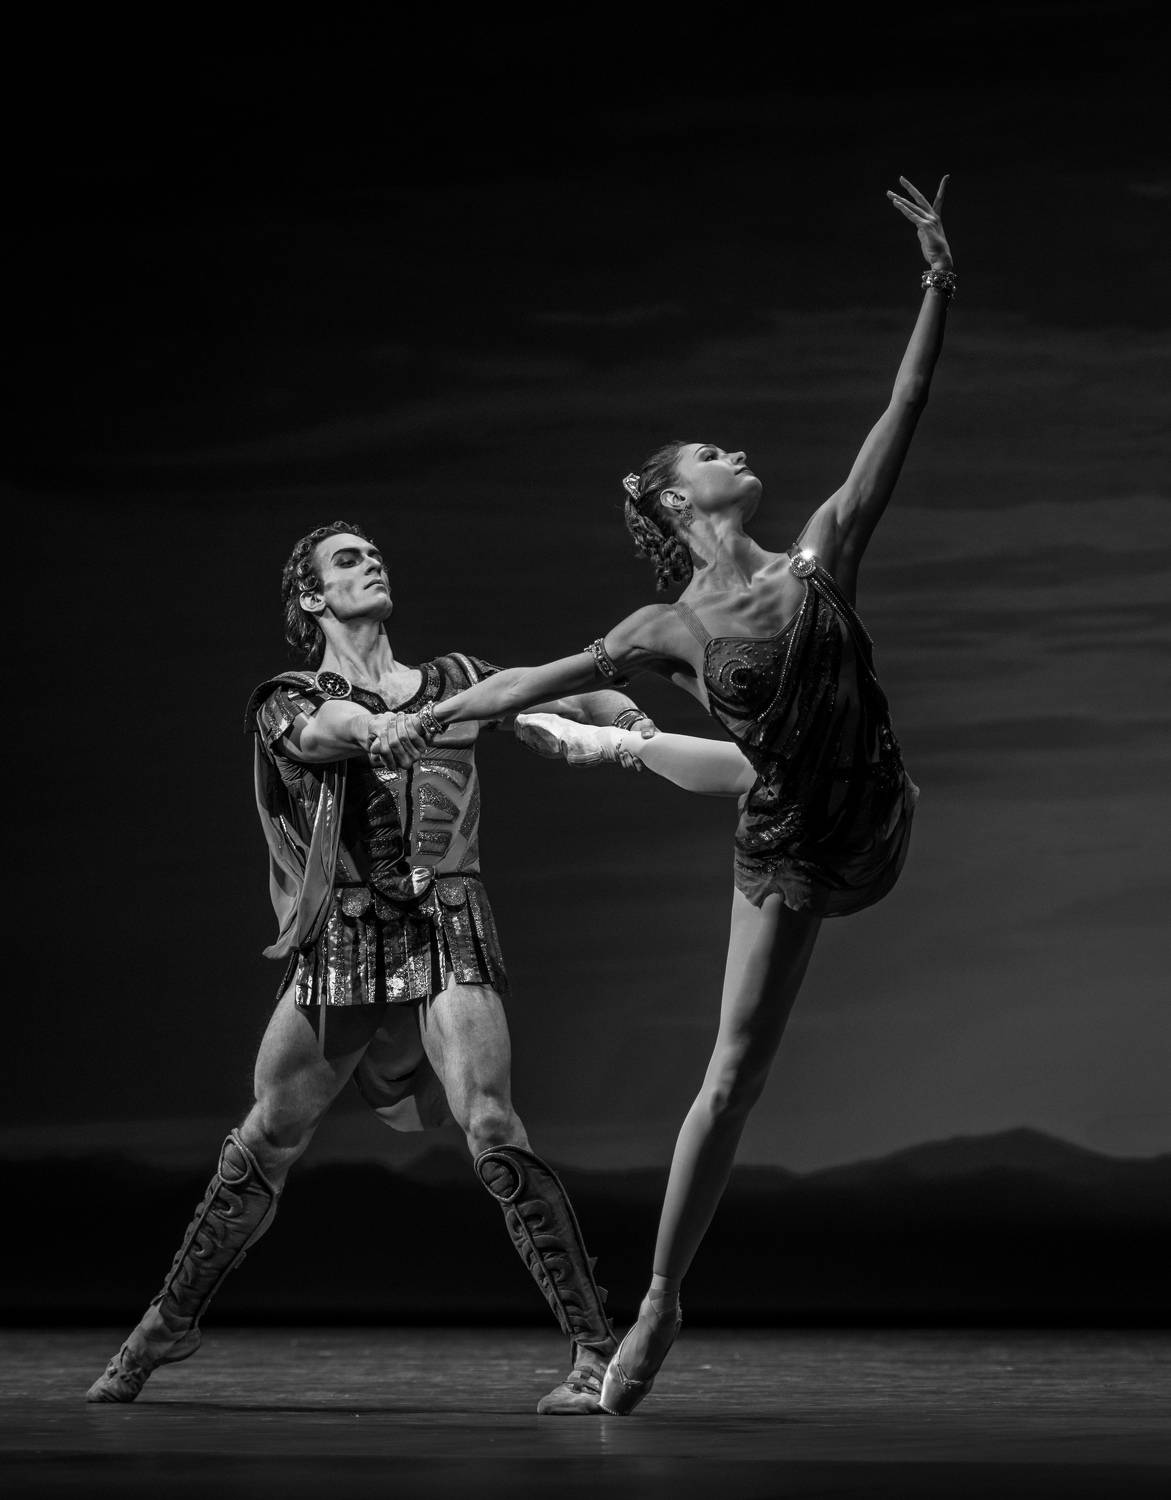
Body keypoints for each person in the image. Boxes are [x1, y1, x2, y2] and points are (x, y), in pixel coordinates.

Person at [367, 175, 954, 1414]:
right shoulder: (665, 624)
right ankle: (658, 1303)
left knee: (740, 763)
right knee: (731, 1076)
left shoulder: (822, 553)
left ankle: (620, 749)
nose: (734, 451)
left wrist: (935, 283)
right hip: (786, 839)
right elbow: (532, 672)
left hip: (875, 812)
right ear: (680, 500)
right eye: (709, 451)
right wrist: (427, 716)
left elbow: (902, 404)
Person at [86, 519, 665, 1416]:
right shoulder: (287, 697)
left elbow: (549, 691)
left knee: (492, 1122)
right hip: (347, 933)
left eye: (373, 554)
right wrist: (376, 726)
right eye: (347, 560)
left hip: (446, 921)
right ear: (311, 596)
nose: (371, 564)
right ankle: (165, 1325)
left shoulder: (455, 681)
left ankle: (594, 1350)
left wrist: (628, 725)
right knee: (267, 1136)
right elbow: (327, 730)